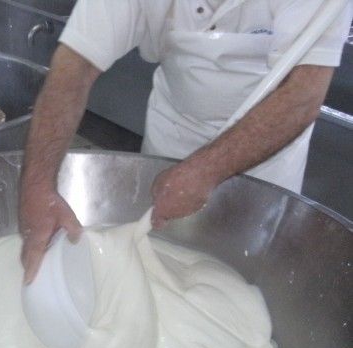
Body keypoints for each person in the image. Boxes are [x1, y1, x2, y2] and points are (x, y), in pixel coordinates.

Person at [19, 0, 353, 283]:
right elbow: (75, 66)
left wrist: (205, 170)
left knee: (248, 275)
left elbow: (301, 96)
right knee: (154, 260)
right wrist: (38, 185)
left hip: (266, 165)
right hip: (172, 135)